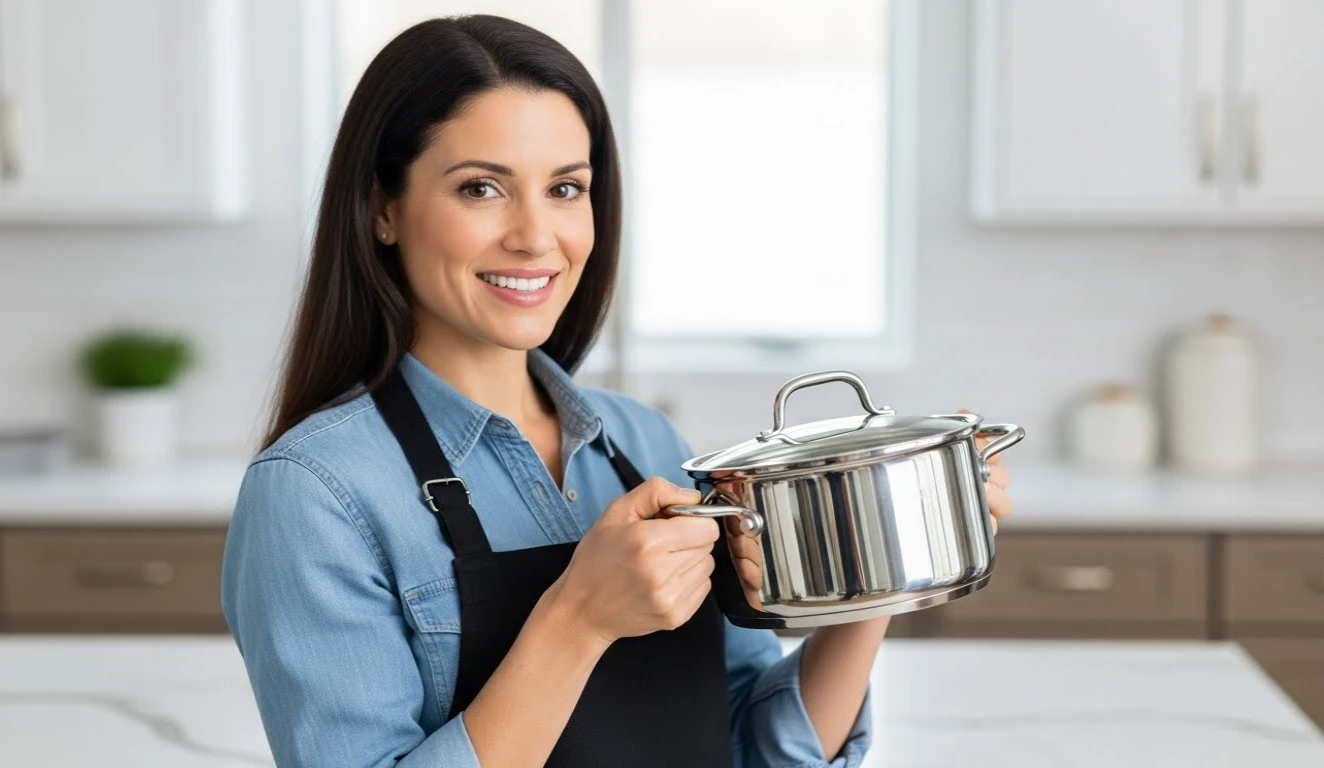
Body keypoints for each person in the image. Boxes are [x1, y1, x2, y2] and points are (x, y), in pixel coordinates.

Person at [221, 14, 1014, 768]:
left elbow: (751, 747)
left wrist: (888, 545)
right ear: (383, 209)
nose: (537, 236)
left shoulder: (645, 446)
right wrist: (578, 619)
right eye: (480, 188)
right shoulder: (317, 495)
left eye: (566, 188)